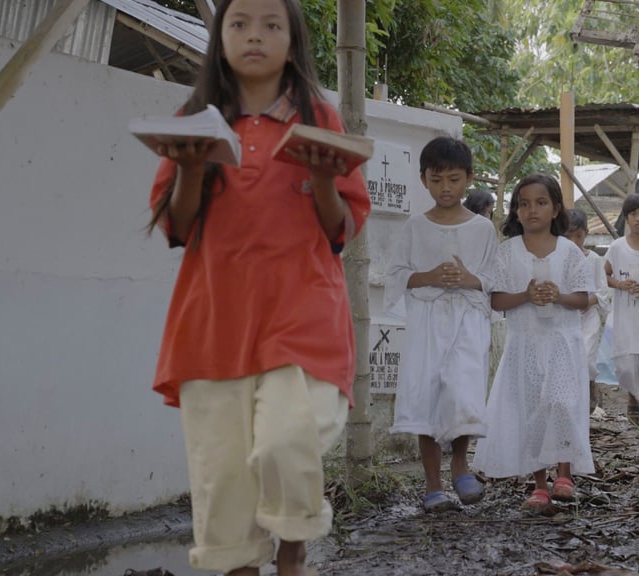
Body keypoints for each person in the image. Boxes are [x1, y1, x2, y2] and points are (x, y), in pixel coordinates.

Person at [144, 0, 370, 574]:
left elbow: (340, 227)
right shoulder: (195, 116)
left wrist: (324, 179)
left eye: (271, 25)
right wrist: (191, 168)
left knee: (284, 441)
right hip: (212, 324)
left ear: (292, 43)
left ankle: (292, 553)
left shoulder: (318, 115)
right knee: (223, 487)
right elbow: (177, 227)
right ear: (220, 39)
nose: (254, 36)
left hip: (302, 314)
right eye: (239, 24)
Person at [384, 137, 497, 512]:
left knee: (463, 391)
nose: (445, 188)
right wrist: (429, 275)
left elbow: (494, 279)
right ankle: (433, 484)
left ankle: (461, 466)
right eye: (436, 180)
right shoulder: (415, 228)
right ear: (423, 180)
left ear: (469, 178)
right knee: (425, 397)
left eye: (453, 179)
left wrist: (469, 279)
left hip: (467, 322)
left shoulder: (482, 230)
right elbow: (397, 275)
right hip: (426, 324)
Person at [473, 174, 595, 512]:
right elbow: (496, 301)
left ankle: (565, 474)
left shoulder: (569, 252)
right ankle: (539, 483)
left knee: (561, 404)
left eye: (540, 202)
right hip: (524, 344)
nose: (532, 210)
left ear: (556, 208)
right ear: (515, 211)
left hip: (562, 344)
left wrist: (559, 296)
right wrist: (525, 295)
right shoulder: (506, 253)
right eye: (523, 204)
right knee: (531, 412)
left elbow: (584, 299)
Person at [604, 193, 639, 426]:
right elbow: (604, 273)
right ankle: (632, 396)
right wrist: (620, 284)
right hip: (625, 316)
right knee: (627, 364)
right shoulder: (617, 247)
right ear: (626, 218)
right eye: (633, 214)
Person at [564, 209, 610, 412]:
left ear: (586, 234)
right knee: (568, 359)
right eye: (568, 236)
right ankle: (573, 401)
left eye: (579, 236)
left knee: (586, 355)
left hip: (588, 316)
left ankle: (589, 389)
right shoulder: (558, 260)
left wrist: (587, 301)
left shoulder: (593, 260)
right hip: (566, 317)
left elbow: (602, 291)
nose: (574, 241)